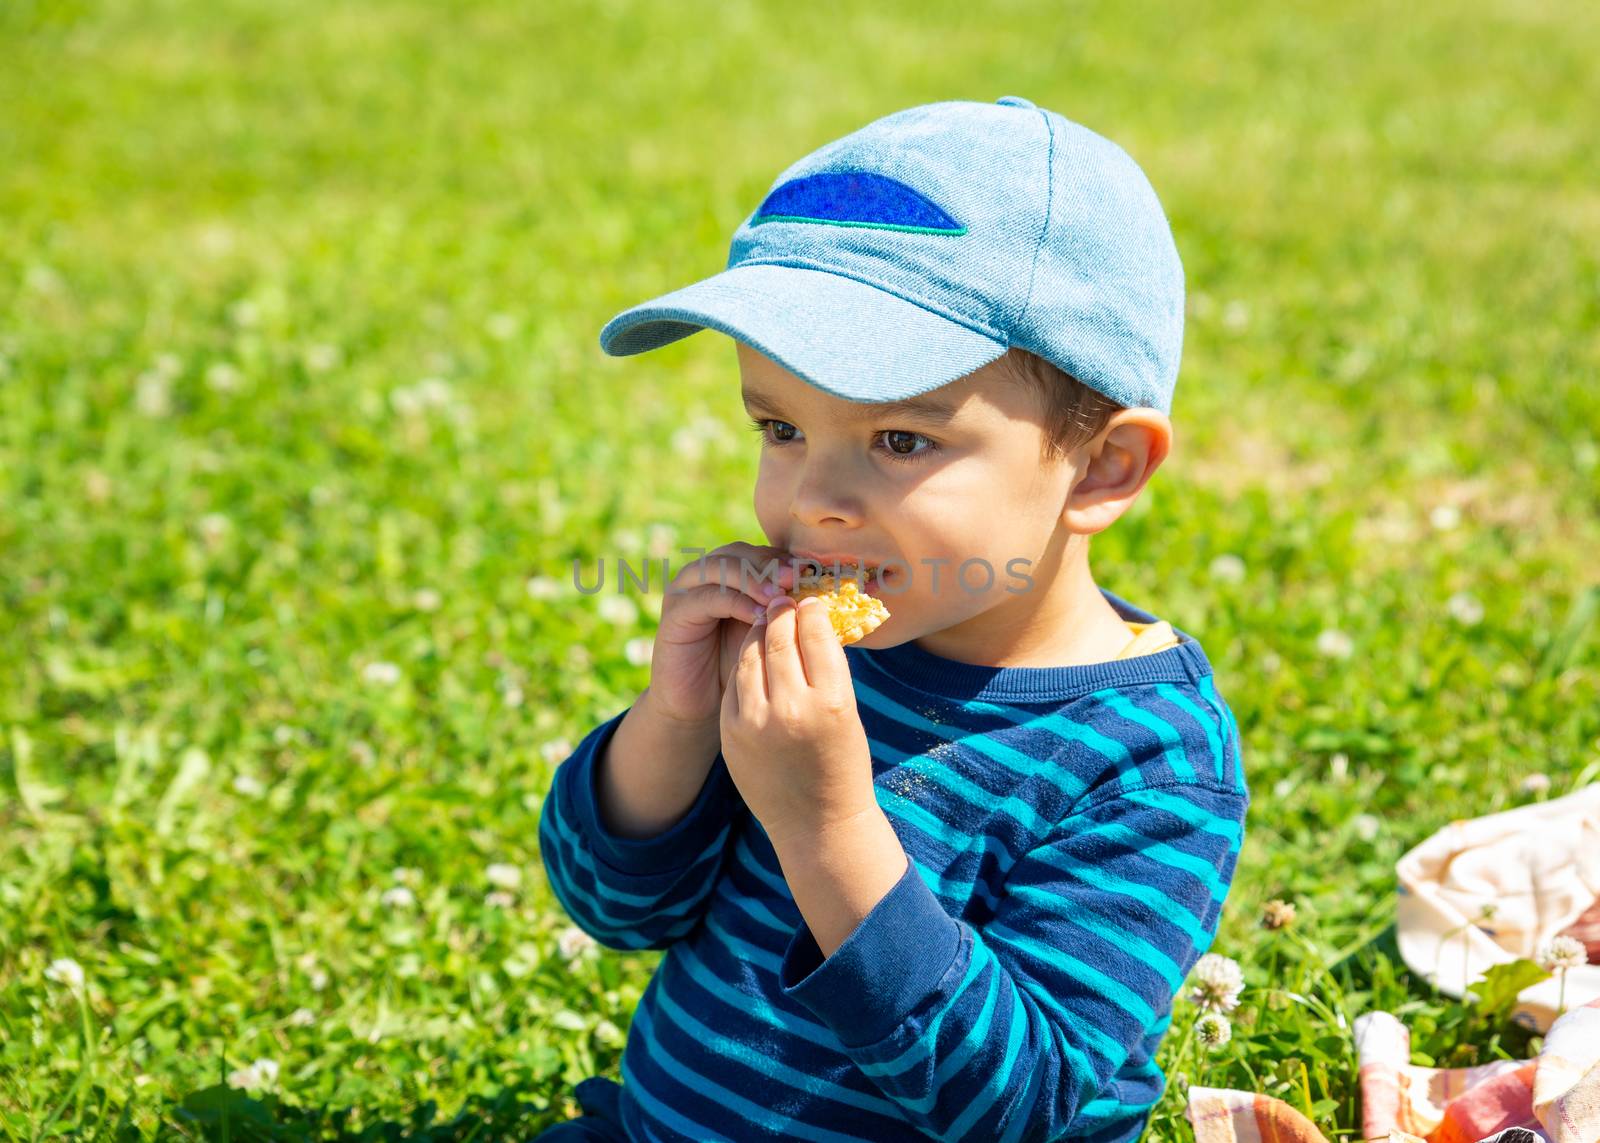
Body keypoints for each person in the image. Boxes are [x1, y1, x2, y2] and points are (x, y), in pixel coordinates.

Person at [535, 96, 1250, 1143]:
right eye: (779, 427)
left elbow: (1021, 1106)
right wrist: (676, 720)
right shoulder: (819, 654)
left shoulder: (1147, 764)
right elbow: (616, 906)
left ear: (1100, 468)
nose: (811, 500)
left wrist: (825, 828)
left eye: (901, 441)